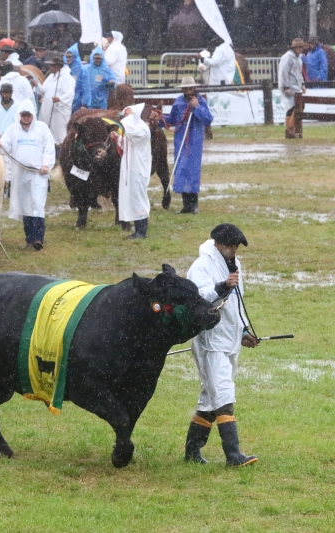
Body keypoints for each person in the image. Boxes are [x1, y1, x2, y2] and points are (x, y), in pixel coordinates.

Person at [184, 223, 259, 467]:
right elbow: (199, 298)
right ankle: (233, 454)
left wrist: (244, 330)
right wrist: (223, 286)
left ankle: (192, 451)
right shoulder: (201, 266)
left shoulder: (236, 266)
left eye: (236, 246)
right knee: (223, 392)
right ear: (218, 244)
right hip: (210, 341)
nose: (234, 250)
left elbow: (238, 302)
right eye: (231, 246)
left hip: (230, 338)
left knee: (209, 397)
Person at [0, 100, 55, 250]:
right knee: (25, 205)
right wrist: (0, 144)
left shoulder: (42, 128)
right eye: (23, 115)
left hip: (38, 174)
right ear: (19, 115)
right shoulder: (13, 129)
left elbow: (49, 147)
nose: (26, 117)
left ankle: (38, 238)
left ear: (33, 115)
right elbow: (5, 146)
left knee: (38, 203)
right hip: (20, 173)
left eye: (28, 115)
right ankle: (29, 238)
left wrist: (46, 165)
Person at [159, 76, 214, 214]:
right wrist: (160, 119)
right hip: (181, 140)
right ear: (183, 89)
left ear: (194, 88)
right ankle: (186, 205)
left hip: (194, 142)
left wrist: (196, 107)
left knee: (193, 171)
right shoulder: (178, 102)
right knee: (182, 170)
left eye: (191, 88)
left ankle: (194, 204)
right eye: (186, 88)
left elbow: (208, 119)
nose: (188, 91)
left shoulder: (201, 101)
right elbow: (172, 119)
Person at [111, 104, 152, 239]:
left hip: (138, 169)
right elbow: (129, 143)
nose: (126, 118)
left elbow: (134, 135)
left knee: (138, 198)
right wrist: (118, 138)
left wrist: (127, 119)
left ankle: (142, 231)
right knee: (133, 198)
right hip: (132, 168)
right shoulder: (135, 129)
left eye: (128, 115)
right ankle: (138, 229)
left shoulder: (142, 129)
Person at [35, 59, 75, 147]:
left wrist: (60, 99)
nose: (49, 68)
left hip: (59, 110)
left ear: (57, 67)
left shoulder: (67, 78)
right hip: (48, 109)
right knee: (47, 128)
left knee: (59, 131)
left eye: (51, 66)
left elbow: (70, 93)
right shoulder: (50, 77)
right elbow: (44, 90)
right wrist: (37, 85)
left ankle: (62, 148)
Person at [279, 38, 307, 138]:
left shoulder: (298, 58)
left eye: (302, 47)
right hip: (289, 86)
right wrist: (285, 86)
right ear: (295, 48)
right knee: (292, 107)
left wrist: (302, 83)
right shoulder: (287, 57)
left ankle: (292, 128)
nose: (301, 49)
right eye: (299, 47)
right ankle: (289, 128)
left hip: (296, 86)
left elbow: (299, 72)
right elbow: (284, 72)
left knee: (299, 106)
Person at [85, 45, 117, 109]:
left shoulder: (106, 70)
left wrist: (111, 82)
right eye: (96, 58)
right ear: (92, 58)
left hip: (102, 101)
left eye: (99, 58)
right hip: (89, 100)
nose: (97, 60)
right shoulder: (86, 68)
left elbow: (112, 80)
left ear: (102, 59)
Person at [65, 43, 91, 112]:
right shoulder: (65, 69)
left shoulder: (82, 69)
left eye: (70, 57)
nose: (68, 59)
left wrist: (84, 104)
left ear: (75, 56)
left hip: (78, 103)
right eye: (67, 57)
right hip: (66, 102)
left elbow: (86, 87)